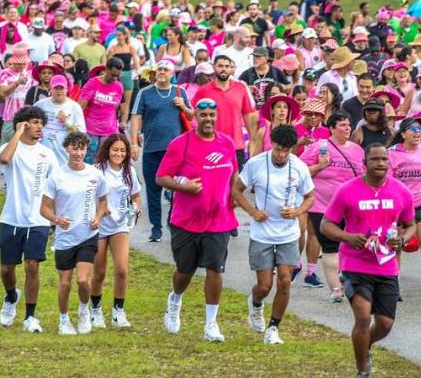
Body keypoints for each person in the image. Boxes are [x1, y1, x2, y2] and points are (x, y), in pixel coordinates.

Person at [320, 143, 416, 378]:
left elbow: (411, 225)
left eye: (384, 159)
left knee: (384, 324)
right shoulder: (347, 190)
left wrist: (402, 241)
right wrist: (348, 237)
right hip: (355, 263)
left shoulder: (401, 191)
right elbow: (326, 225)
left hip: (387, 265)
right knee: (363, 316)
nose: (381, 163)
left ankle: (365, 347)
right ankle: (363, 371)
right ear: (365, 163)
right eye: (375, 159)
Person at [155, 98, 239, 342]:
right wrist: (185, 185)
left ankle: (210, 324)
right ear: (195, 118)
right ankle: (175, 299)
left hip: (219, 220)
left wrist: (234, 198)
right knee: (185, 271)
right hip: (186, 220)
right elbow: (162, 177)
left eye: (212, 115)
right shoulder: (181, 144)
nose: (208, 120)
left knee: (215, 268)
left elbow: (234, 174)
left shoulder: (226, 143)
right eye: (203, 116)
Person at [232, 125, 315, 345]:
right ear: (272, 145)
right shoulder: (256, 163)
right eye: (278, 149)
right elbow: (236, 190)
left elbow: (310, 197)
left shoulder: (299, 167)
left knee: (285, 281)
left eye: (286, 150)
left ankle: (273, 328)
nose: (281, 154)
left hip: (288, 233)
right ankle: (256, 304)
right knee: (265, 285)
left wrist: (297, 211)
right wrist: (253, 212)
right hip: (262, 233)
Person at [0, 106, 59, 333]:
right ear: (23, 125)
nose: (39, 126)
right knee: (6, 269)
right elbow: (4, 159)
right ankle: (11, 296)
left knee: (32, 265)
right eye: (34, 122)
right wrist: (16, 133)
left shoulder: (47, 154)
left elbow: (55, 187)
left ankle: (30, 317)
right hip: (12, 218)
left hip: (38, 220)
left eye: (41, 123)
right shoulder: (9, 147)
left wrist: (53, 217)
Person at [39, 131, 107, 335]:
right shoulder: (57, 176)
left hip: (87, 235)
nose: (79, 153)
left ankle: (83, 310)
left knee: (83, 280)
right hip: (64, 238)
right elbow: (44, 208)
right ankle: (63, 320)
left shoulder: (95, 174)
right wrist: (57, 220)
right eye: (75, 148)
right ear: (67, 148)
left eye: (82, 148)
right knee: (65, 283)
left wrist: (98, 217)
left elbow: (103, 200)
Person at [299, 112, 366, 300]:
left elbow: (364, 176)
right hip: (322, 207)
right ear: (331, 128)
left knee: (353, 244)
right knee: (330, 246)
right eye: (342, 125)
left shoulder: (357, 150)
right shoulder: (317, 148)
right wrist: (319, 166)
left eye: (348, 125)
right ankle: (336, 289)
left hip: (351, 207)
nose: (347, 128)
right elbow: (299, 172)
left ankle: (350, 279)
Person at [130, 59, 193, 242]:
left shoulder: (179, 91)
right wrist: (134, 143)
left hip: (175, 150)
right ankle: (156, 228)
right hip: (151, 148)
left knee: (177, 190)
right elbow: (135, 118)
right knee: (153, 190)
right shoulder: (145, 93)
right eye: (160, 69)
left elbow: (192, 115)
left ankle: (173, 223)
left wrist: (183, 106)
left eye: (166, 70)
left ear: (172, 74)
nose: (162, 72)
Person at [387, 116, 421, 303]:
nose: (418, 131)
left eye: (420, 128)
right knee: (397, 245)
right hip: (399, 206)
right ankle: (393, 285)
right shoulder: (391, 154)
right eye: (413, 128)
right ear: (402, 134)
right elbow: (388, 184)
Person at [90, 134, 142, 329]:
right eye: (115, 150)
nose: (119, 153)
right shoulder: (96, 171)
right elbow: (87, 195)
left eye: (122, 150)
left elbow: (136, 196)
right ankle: (95, 310)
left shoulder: (129, 171)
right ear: (107, 150)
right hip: (98, 226)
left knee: (121, 269)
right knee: (100, 272)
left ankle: (118, 311)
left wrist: (135, 208)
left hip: (120, 225)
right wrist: (99, 210)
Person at [193, 55, 257, 168]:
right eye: (220, 66)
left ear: (231, 69)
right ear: (214, 67)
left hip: (236, 145)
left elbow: (248, 115)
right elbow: (193, 114)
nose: (224, 69)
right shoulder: (203, 90)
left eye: (227, 66)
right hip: (211, 144)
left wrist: (252, 141)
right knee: (214, 182)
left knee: (236, 183)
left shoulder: (240, 88)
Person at [78, 57, 125, 161]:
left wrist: (122, 121)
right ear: (106, 69)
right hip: (91, 132)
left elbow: (118, 108)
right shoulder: (92, 83)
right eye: (113, 74)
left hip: (110, 132)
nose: (115, 78)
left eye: (118, 76)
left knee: (106, 164)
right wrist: (78, 130)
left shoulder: (119, 87)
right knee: (89, 164)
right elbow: (80, 107)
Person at [33, 75, 86, 166]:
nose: (59, 91)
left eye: (61, 88)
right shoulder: (40, 104)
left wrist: (67, 122)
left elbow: (81, 134)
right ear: (51, 89)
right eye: (56, 88)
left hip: (63, 152)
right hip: (42, 149)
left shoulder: (74, 107)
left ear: (66, 89)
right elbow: (30, 122)